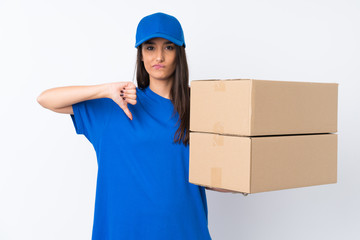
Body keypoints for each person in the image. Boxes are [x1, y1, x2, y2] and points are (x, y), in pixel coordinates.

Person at [37, 12, 236, 240]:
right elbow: (46, 99)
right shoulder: (116, 105)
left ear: (180, 53)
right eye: (150, 48)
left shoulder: (202, 108)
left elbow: (214, 176)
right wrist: (105, 90)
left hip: (184, 229)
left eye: (168, 47)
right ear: (140, 54)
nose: (159, 56)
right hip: (124, 232)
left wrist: (241, 182)